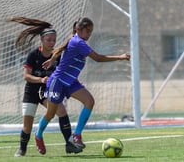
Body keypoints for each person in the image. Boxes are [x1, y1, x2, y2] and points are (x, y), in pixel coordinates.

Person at [35, 17, 130, 154]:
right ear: (79, 30)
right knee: (50, 114)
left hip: (71, 82)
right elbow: (97, 58)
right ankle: (38, 136)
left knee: (89, 101)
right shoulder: (78, 42)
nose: (89, 35)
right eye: (88, 31)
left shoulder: (75, 40)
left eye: (91, 32)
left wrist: (53, 59)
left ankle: (77, 135)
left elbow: (60, 50)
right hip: (57, 83)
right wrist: (119, 57)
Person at [7, 17, 82, 156]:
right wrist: (41, 79)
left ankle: (69, 144)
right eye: (49, 40)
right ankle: (22, 149)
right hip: (31, 91)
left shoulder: (57, 56)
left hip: (46, 91)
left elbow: (63, 73)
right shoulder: (33, 55)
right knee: (27, 126)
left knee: (61, 111)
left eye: (54, 40)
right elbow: (26, 76)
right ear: (42, 40)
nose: (52, 43)